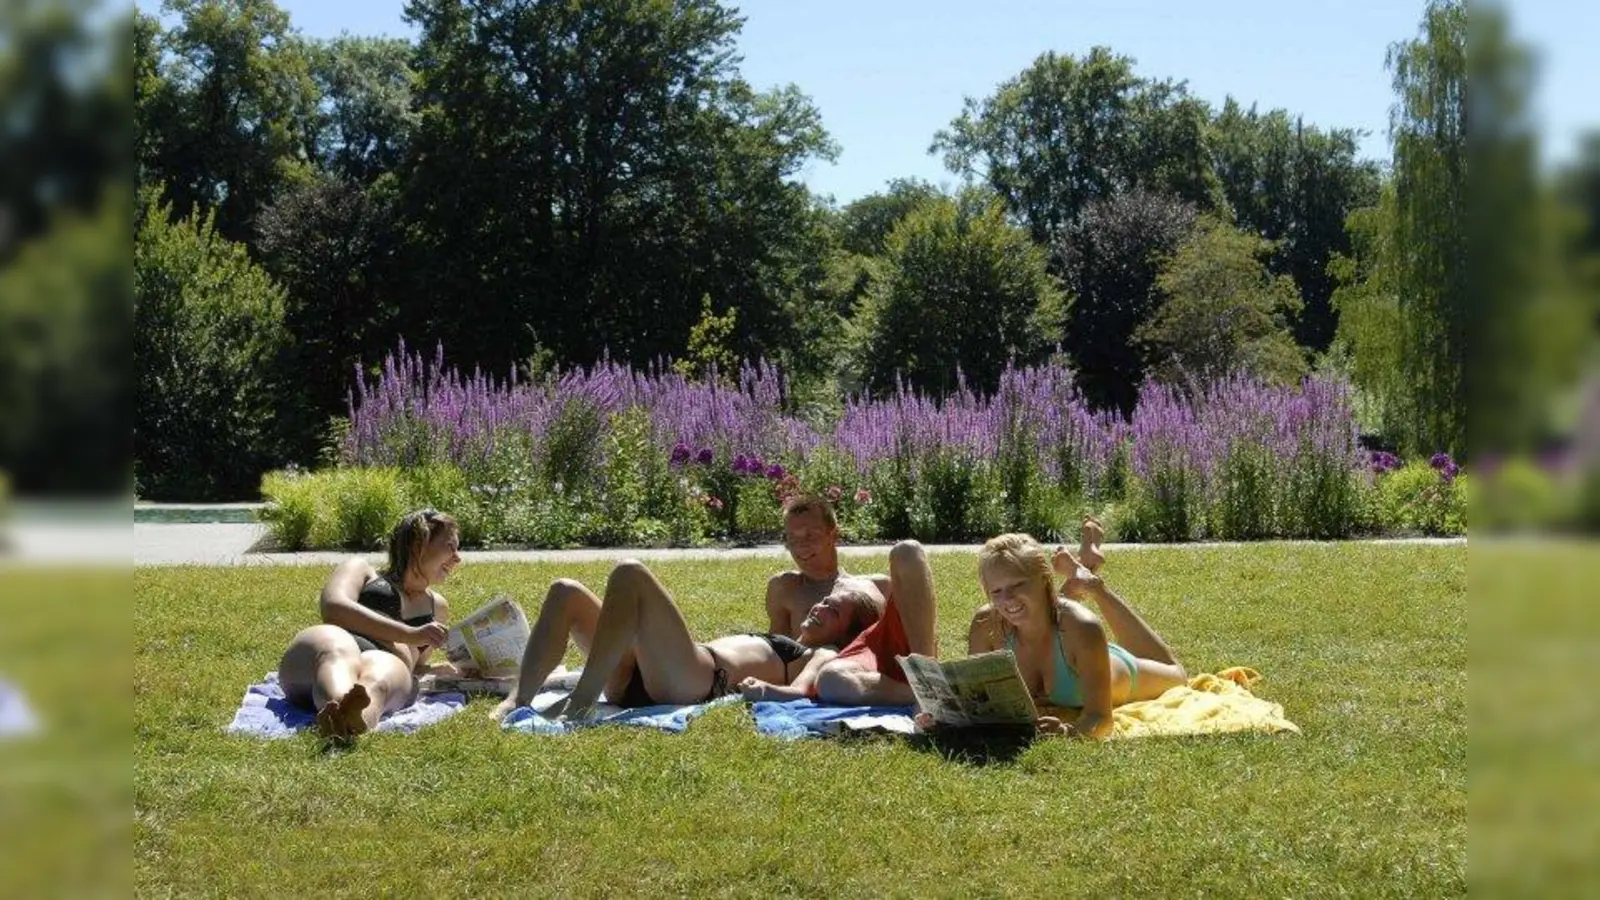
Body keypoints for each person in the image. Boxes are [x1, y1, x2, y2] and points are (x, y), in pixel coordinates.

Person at [489, 559, 884, 721]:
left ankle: (584, 699)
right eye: (827, 600)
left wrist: (764, 690)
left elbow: (801, 693)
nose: (821, 606)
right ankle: (518, 699)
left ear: (847, 632)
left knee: (630, 573)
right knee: (565, 591)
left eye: (835, 611)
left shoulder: (824, 653)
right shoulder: (787, 636)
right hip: (652, 672)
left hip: (697, 679)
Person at [966, 519, 1187, 740]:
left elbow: (1101, 721)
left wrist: (1065, 731)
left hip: (1113, 666)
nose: (1006, 599)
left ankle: (1093, 585)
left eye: (1017, 585)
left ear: (1045, 579)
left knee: (1177, 676)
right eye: (996, 591)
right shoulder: (987, 625)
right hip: (1068, 643)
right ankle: (1082, 568)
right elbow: (976, 704)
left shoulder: (1083, 627)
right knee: (1046, 612)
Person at [276, 509, 461, 740]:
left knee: (381, 676)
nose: (457, 558)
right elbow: (333, 606)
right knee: (337, 650)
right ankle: (341, 704)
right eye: (451, 547)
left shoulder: (438, 608)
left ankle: (351, 718)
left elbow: (417, 667)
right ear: (419, 544)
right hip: (323, 653)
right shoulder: (361, 570)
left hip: (382, 661)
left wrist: (446, 670)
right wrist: (409, 634)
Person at [809, 538, 940, 706]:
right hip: (864, 672)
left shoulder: (883, 633)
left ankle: (927, 678)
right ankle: (925, 696)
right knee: (830, 678)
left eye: (831, 608)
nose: (818, 609)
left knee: (906, 551)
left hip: (906, 652)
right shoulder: (794, 650)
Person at [764, 495, 880, 639]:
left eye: (810, 535)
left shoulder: (876, 587)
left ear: (834, 535)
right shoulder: (785, 588)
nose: (801, 545)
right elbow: (777, 651)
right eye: (792, 537)